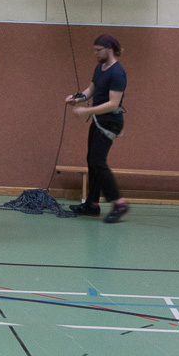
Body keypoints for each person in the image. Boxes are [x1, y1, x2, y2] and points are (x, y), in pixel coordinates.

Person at [65, 34, 129, 223]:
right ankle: (92, 204)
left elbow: (113, 103)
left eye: (98, 50)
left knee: (98, 162)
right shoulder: (100, 68)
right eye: (94, 50)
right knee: (92, 160)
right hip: (99, 120)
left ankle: (119, 203)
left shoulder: (118, 73)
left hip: (110, 122)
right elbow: (91, 89)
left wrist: (87, 111)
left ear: (109, 49)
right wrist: (77, 98)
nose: (96, 54)